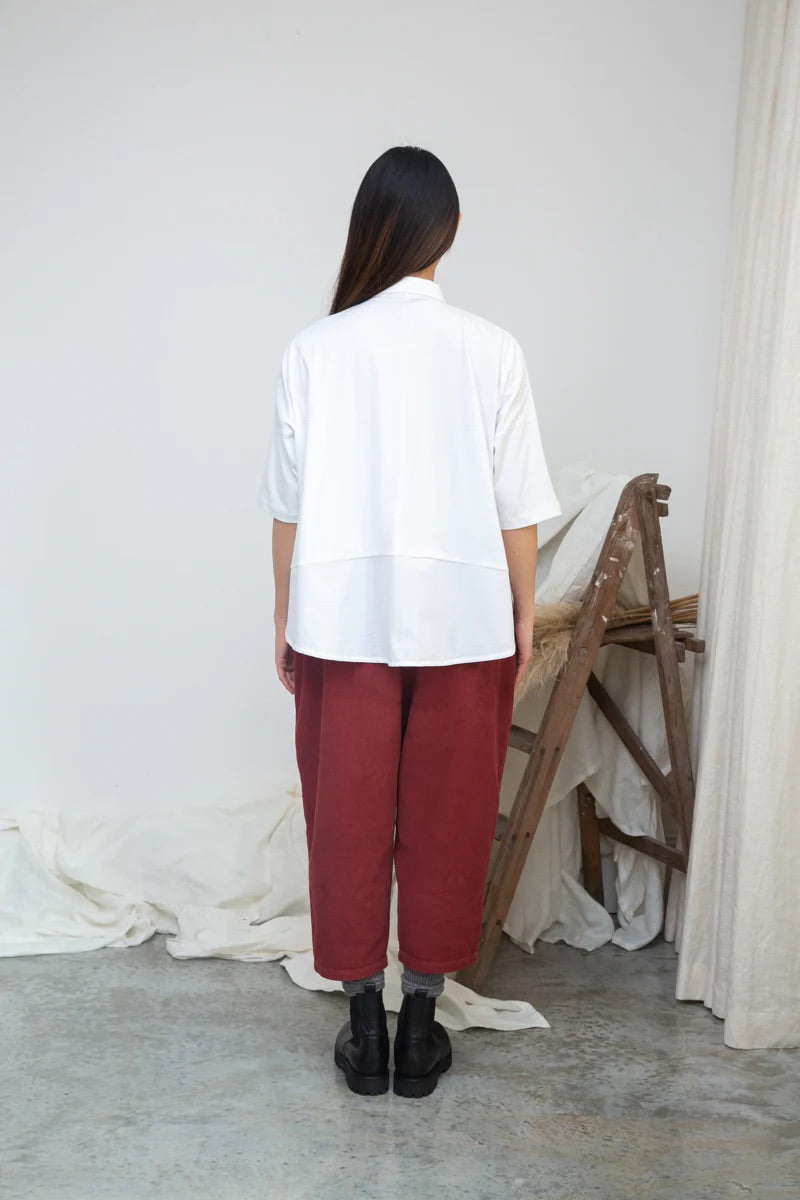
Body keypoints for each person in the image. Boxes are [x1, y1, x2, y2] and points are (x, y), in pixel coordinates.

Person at [257, 145, 561, 1099]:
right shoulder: (493, 347)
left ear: (369, 229)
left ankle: (362, 1028)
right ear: (450, 232)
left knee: (342, 815)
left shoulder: (315, 347)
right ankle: (421, 1025)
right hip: (467, 620)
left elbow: (289, 506)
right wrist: (522, 612)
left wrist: (283, 616)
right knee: (450, 814)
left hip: (341, 618)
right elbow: (520, 509)